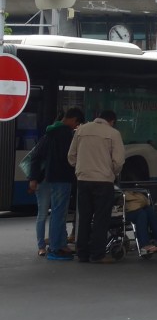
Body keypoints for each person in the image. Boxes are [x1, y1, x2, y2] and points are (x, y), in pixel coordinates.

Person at [68, 110, 125, 264]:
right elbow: (119, 160)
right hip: (103, 181)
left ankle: (82, 254)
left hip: (83, 180)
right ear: (112, 121)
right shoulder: (113, 133)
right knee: (101, 218)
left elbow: (71, 156)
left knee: (84, 217)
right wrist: (111, 171)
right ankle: (97, 254)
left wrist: (80, 169)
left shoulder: (81, 130)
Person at [28, 107, 85, 260]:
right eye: (77, 123)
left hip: (52, 176)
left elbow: (36, 154)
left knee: (57, 213)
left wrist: (33, 177)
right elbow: (71, 157)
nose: (76, 126)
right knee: (59, 213)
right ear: (73, 119)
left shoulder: (51, 132)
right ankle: (55, 247)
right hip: (62, 177)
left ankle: (59, 244)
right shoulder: (66, 134)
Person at [123, 189, 157, 256]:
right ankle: (144, 245)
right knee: (141, 214)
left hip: (132, 206)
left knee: (149, 211)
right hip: (123, 210)